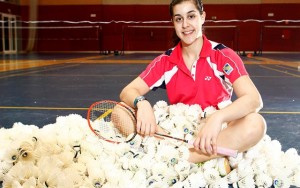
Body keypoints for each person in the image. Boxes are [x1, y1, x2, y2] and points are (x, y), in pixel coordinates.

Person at [120, 0, 266, 164]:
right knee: (121, 111)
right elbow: (128, 91)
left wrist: (217, 118)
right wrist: (142, 103)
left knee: (256, 123)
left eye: (191, 16)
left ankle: (182, 158)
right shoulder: (165, 61)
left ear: (202, 17)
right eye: (179, 19)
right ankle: (210, 158)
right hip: (179, 132)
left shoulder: (222, 55)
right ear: (173, 23)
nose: (185, 25)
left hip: (216, 132)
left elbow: (254, 99)